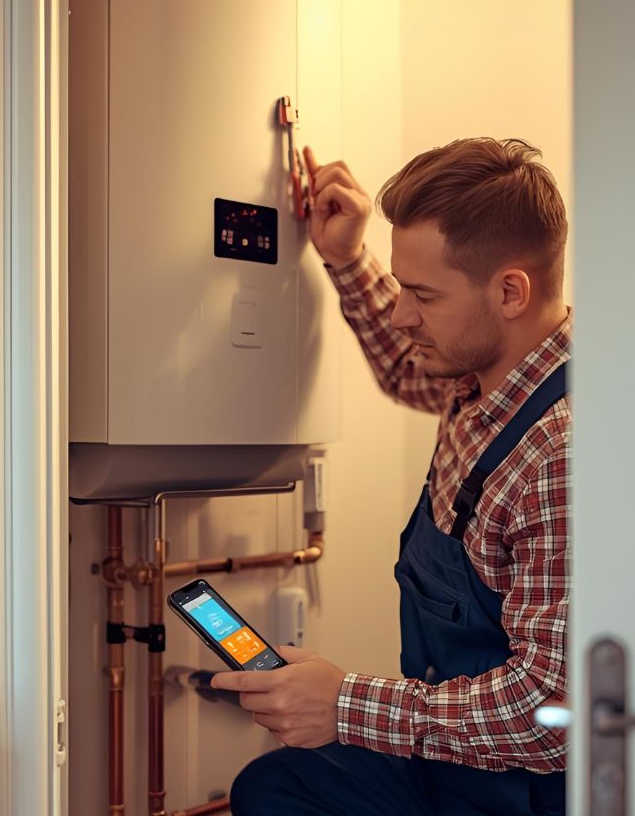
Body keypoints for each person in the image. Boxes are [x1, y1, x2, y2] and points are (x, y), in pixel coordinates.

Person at [211, 138, 571, 816]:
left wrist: (345, 705)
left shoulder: (561, 457)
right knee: (273, 785)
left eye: (424, 295)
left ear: (510, 291)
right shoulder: (485, 381)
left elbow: (552, 714)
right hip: (457, 761)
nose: (404, 314)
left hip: (525, 792)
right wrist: (346, 257)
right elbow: (409, 365)